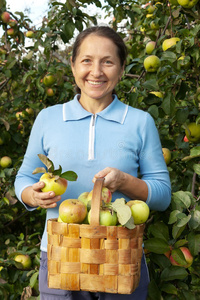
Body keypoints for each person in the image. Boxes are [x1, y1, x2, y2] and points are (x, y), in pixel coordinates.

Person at [14, 25, 171, 300]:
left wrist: (125, 182)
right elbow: (24, 178)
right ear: (73, 66)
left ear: (121, 69)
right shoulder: (49, 118)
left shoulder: (139, 122)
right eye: (87, 60)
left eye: (107, 62)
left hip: (121, 257)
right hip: (61, 255)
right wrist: (33, 195)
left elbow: (162, 196)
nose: (96, 72)